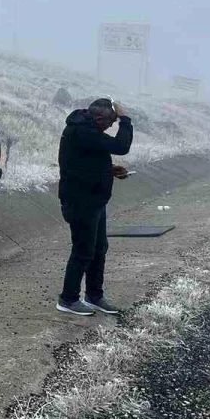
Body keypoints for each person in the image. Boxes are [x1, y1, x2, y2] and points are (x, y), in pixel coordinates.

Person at [56, 98, 133, 316]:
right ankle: (68, 299)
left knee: (99, 249)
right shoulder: (82, 132)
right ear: (100, 118)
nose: (112, 126)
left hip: (95, 200)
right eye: (111, 122)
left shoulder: (89, 130)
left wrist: (109, 170)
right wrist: (126, 119)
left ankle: (94, 296)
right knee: (83, 251)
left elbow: (84, 161)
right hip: (80, 202)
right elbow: (121, 146)